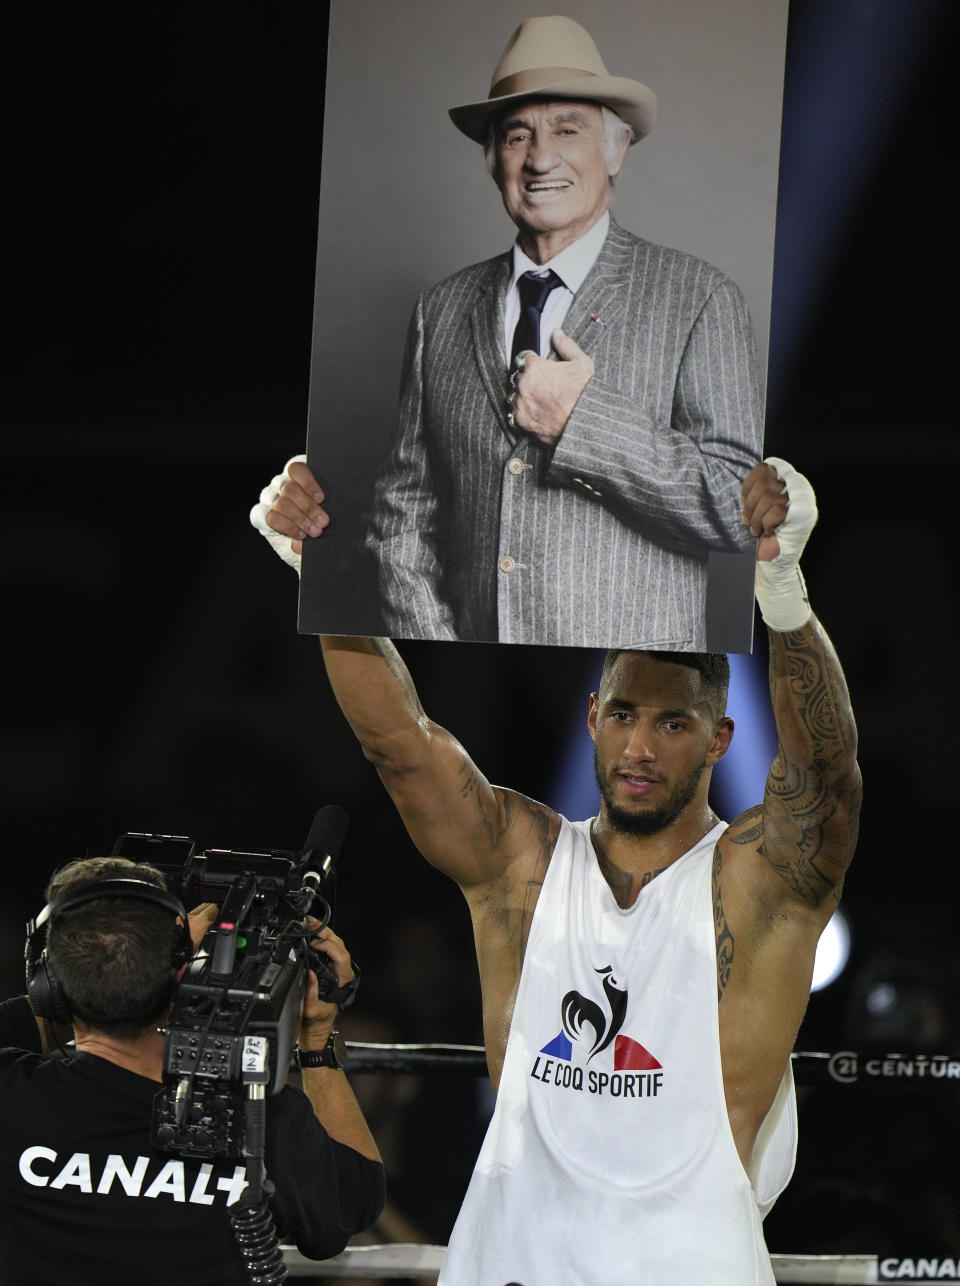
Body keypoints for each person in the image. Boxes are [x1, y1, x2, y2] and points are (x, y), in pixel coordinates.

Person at [253, 451, 861, 1284]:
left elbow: (826, 781)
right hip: (512, 1258)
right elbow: (400, 746)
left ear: (720, 739)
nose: (640, 747)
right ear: (592, 719)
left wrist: (782, 594)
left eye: (674, 725)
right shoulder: (520, 858)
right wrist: (325, 578)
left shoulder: (757, 881)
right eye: (622, 715)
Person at [361, 14, 764, 649]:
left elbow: (741, 513)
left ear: (616, 149)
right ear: (494, 160)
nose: (541, 158)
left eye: (567, 130)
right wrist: (442, 649)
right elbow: (402, 512)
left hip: (628, 695)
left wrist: (584, 420)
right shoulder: (440, 308)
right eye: (518, 135)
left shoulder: (700, 297)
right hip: (473, 693)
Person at [0, 856, 385, 1285]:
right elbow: (357, 1202)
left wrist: (84, 977)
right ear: (186, 968)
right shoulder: (262, 1117)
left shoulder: (12, 1093)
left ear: (47, 980)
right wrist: (316, 1042)